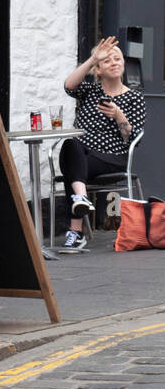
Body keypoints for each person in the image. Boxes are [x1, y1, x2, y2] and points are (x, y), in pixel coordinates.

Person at [57, 36, 146, 251]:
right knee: (71, 145)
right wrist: (92, 59)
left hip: (112, 157)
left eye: (117, 59)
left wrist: (118, 116)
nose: (114, 62)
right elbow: (69, 86)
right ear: (98, 70)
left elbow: (132, 139)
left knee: (73, 163)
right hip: (82, 156)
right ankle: (82, 197)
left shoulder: (135, 98)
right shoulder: (90, 91)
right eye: (107, 61)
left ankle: (76, 230)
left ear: (123, 65)